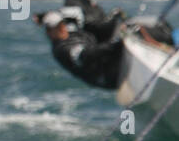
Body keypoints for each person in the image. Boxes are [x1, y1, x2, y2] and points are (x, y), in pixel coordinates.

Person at [40, 9, 172, 90]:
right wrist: (117, 43)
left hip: (107, 63)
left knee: (138, 26)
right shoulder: (63, 49)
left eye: (60, 25)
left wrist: (114, 18)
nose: (60, 29)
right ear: (48, 32)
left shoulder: (70, 33)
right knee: (133, 32)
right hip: (106, 76)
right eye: (53, 29)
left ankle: (169, 47)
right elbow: (89, 55)